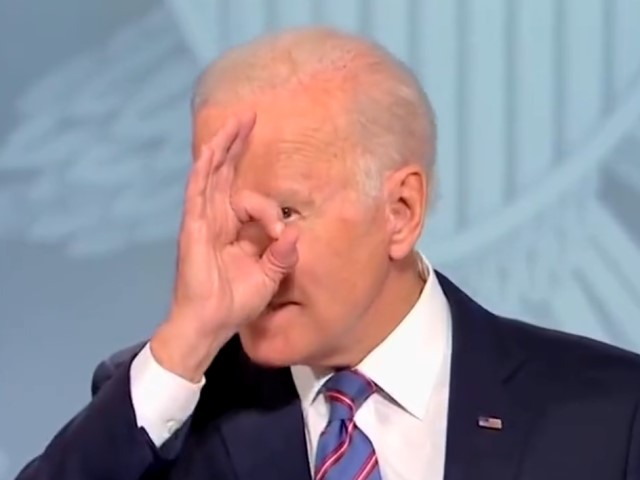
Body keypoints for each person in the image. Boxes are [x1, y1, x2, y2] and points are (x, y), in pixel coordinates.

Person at [13, 26, 640, 480]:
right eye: (228, 218)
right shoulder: (165, 413)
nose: (251, 260)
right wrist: (186, 343)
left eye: (285, 213)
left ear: (400, 212)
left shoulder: (610, 414)